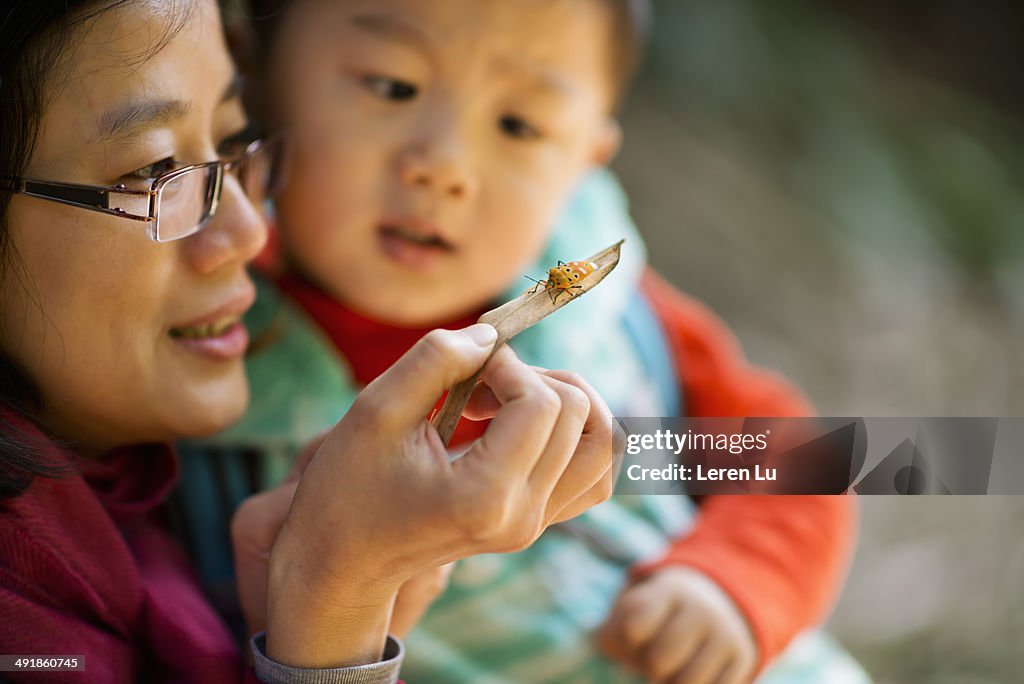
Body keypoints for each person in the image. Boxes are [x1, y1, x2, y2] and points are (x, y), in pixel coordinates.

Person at [175, 1, 873, 683]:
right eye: (393, 87)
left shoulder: (612, 320)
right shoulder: (196, 358)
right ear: (256, 77)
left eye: (518, 124)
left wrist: (733, 583)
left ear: (583, 163)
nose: (445, 166)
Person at [0, 1, 620, 682]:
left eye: (235, 148)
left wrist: (731, 576)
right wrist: (338, 599)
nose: (248, 232)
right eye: (153, 174)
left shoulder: (610, 307)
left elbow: (744, 446)